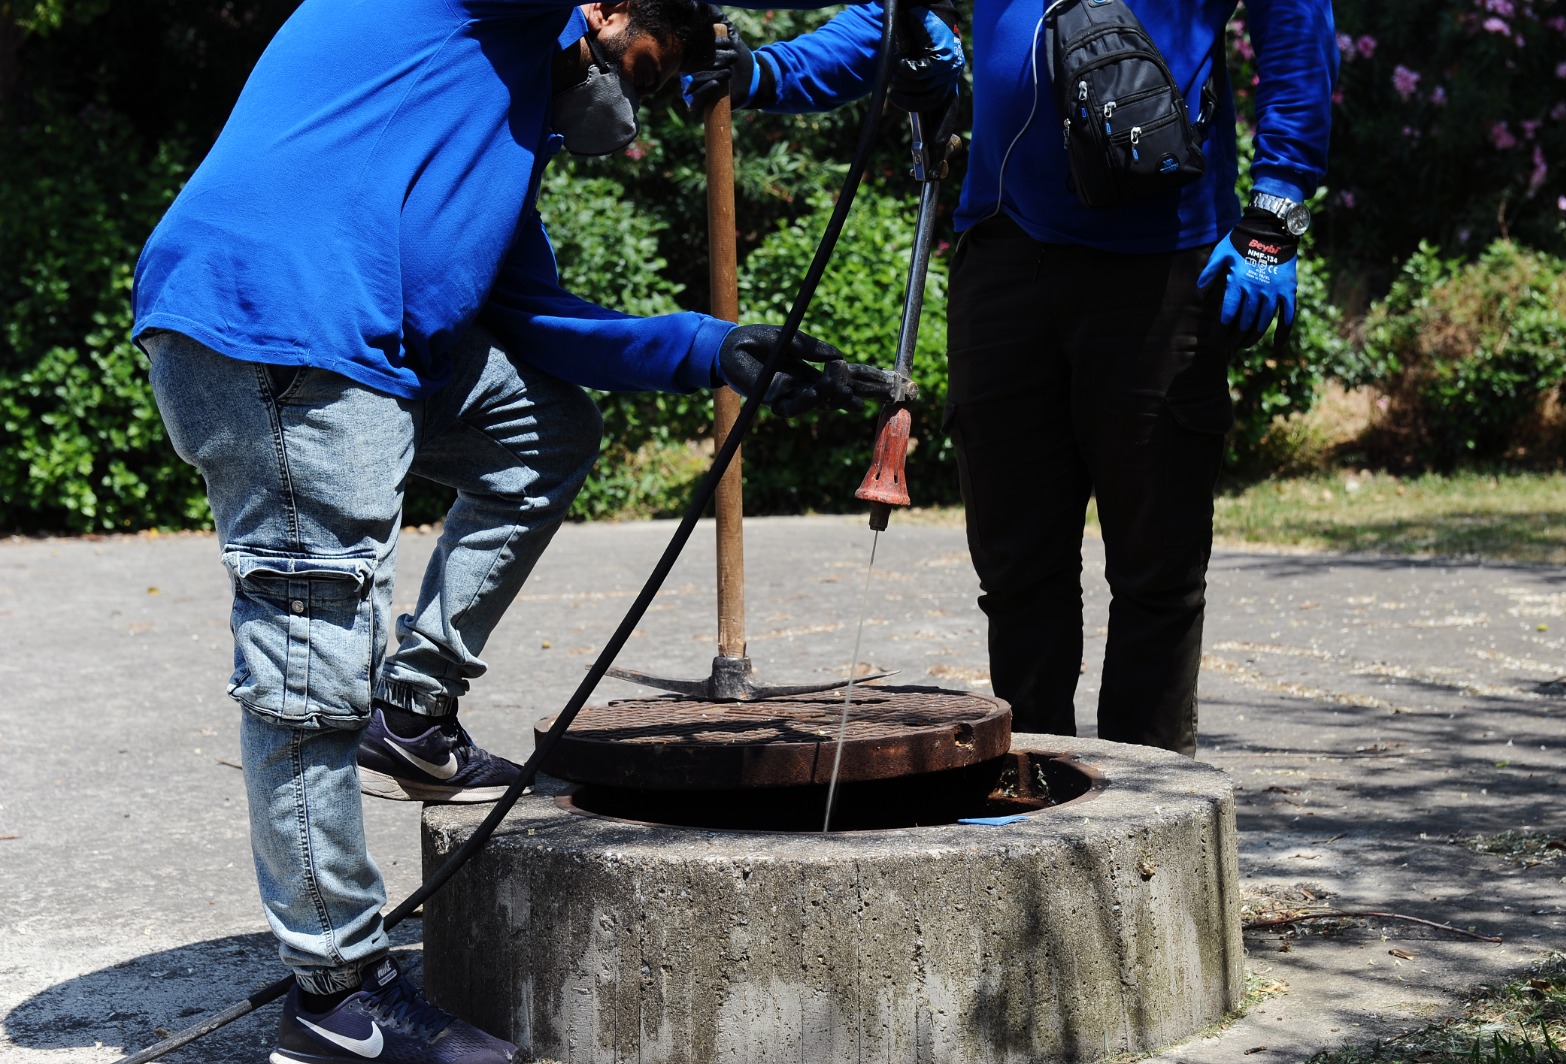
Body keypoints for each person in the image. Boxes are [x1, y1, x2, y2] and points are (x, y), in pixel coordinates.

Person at [132, 0, 898, 1060]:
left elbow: (538, 320)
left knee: (540, 427)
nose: (639, 109)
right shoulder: (482, 12)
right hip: (284, 324)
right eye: (645, 64)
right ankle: (335, 997)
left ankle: (414, 705)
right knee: (311, 665)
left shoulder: (504, 124)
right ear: (605, 9)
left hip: (376, 343)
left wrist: (714, 348)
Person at [683, 0, 1337, 757]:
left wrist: (1274, 213)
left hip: (1160, 257)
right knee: (1018, 565)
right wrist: (765, 72)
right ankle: (1032, 787)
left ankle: (1153, 809)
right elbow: (893, 19)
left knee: (1156, 563)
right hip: (1003, 250)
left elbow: (1295, 28)